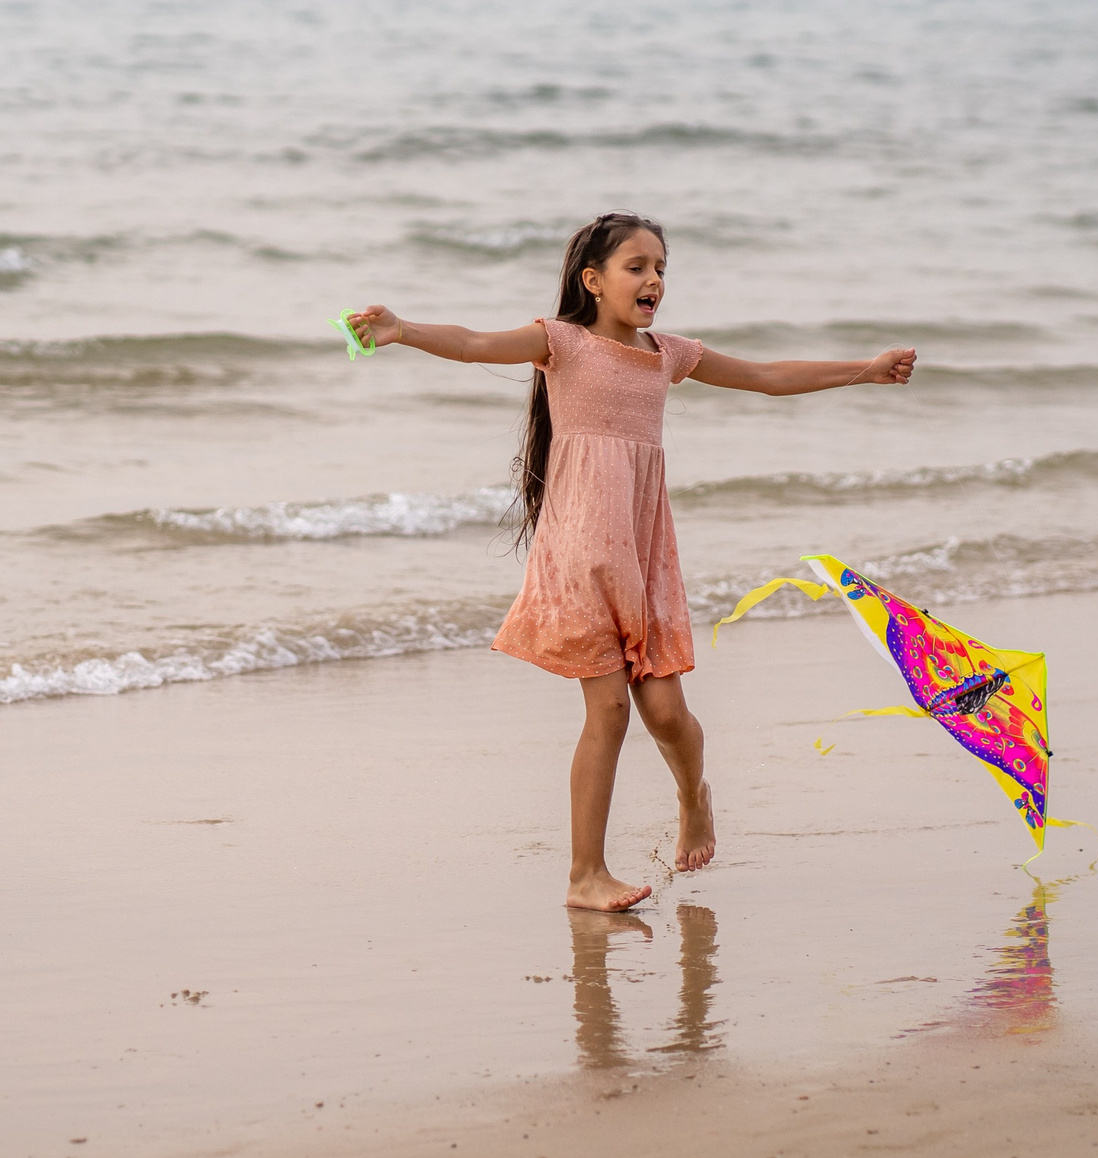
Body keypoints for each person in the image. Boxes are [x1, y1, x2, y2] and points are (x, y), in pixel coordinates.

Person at [345, 212, 917, 910]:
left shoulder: (667, 353)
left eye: (661, 268)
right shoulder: (561, 343)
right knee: (609, 708)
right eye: (637, 266)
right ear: (593, 280)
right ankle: (586, 873)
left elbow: (767, 375)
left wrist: (865, 369)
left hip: (642, 555)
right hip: (578, 555)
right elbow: (471, 343)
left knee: (669, 715)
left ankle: (692, 796)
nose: (653, 279)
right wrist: (402, 329)